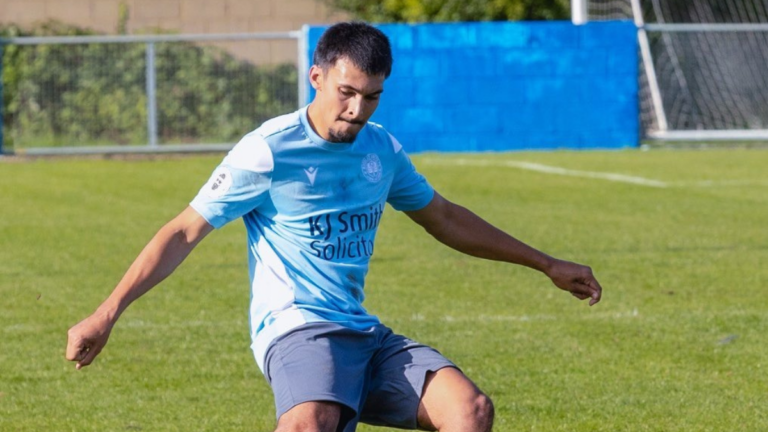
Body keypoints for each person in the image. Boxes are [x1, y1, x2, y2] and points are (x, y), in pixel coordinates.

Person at [66, 21, 603, 432]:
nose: (356, 108)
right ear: (316, 77)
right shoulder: (269, 150)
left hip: (363, 332)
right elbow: (184, 231)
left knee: (470, 409)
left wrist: (546, 263)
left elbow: (443, 217)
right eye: (346, 91)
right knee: (310, 423)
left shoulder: (381, 150)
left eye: (371, 96)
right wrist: (106, 312)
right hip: (297, 328)